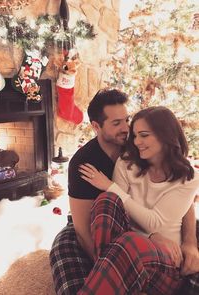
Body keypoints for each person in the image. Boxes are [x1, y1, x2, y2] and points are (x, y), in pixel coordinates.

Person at [49, 89, 199, 294]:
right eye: (116, 123)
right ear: (96, 127)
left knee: (123, 226)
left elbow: (181, 199)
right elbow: (84, 227)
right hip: (107, 229)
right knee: (101, 208)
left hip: (152, 242)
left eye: (126, 119)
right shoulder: (88, 162)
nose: (128, 131)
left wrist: (190, 241)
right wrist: (113, 269)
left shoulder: (141, 148)